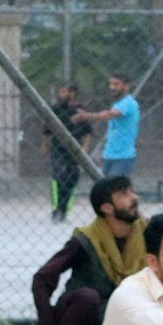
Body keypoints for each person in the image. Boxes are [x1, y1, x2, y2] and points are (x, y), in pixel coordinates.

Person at [31, 175, 147, 325]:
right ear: (107, 208)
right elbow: (42, 279)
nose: (134, 198)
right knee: (87, 298)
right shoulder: (86, 240)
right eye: (124, 194)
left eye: (132, 191)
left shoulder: (147, 235)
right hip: (79, 323)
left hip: (119, 322)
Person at [43, 82, 91, 222]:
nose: (61, 95)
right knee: (60, 175)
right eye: (60, 92)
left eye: (64, 92)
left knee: (71, 178)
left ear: (72, 93)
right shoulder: (56, 109)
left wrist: (86, 146)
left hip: (75, 148)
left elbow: (87, 131)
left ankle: (62, 209)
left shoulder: (80, 110)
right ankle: (57, 209)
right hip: (58, 147)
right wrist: (45, 145)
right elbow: (47, 129)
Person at [81, 73, 141, 177]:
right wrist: (104, 154)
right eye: (111, 84)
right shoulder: (117, 104)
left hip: (123, 157)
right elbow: (111, 132)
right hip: (109, 155)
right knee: (107, 188)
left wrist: (87, 115)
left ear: (126, 86)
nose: (112, 87)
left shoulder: (129, 102)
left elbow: (110, 114)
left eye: (116, 84)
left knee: (115, 189)